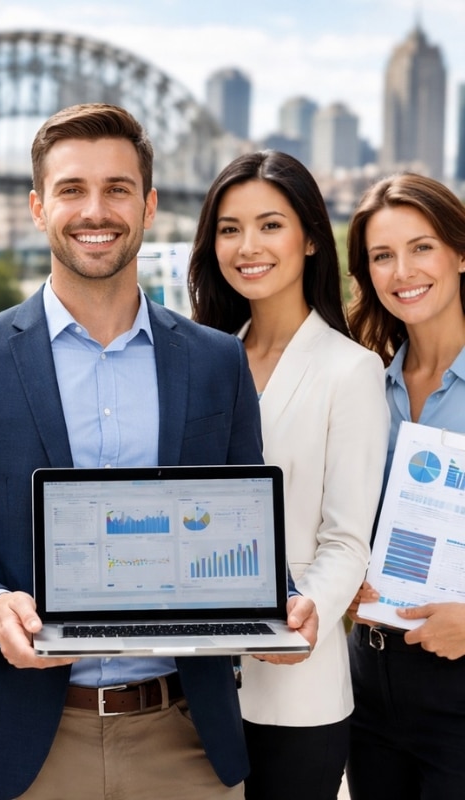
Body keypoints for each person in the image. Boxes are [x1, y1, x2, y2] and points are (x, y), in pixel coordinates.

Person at [0, 103, 318, 800]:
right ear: (38, 207)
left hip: (183, 742)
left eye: (118, 189)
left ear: (149, 205)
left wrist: (284, 599)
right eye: (72, 190)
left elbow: (240, 531)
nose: (96, 210)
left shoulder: (217, 363)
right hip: (20, 746)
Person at [188, 151, 389, 800]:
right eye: (228, 228)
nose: (248, 246)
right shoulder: (200, 361)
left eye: (269, 225)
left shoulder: (351, 372)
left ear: (309, 237)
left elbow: (346, 538)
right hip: (193, 685)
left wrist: (309, 611)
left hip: (296, 686)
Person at [346, 173, 465, 800]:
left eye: (421, 247)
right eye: (382, 255)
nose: (402, 271)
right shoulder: (366, 384)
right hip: (371, 679)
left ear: (460, 252)